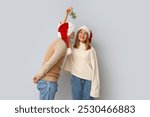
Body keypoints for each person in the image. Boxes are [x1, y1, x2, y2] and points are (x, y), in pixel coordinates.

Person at [33, 7, 75, 100]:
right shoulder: (62, 44)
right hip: (48, 83)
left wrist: (66, 15)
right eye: (73, 31)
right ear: (69, 33)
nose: (74, 33)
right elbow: (51, 61)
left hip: (47, 82)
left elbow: (62, 29)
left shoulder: (61, 41)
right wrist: (39, 75)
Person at [64, 26, 100, 100]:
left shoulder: (91, 50)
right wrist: (66, 15)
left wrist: (95, 89)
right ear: (77, 34)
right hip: (76, 78)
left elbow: (95, 69)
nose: (82, 35)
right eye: (80, 32)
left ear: (87, 36)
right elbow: (63, 33)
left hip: (88, 80)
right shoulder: (72, 45)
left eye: (85, 34)